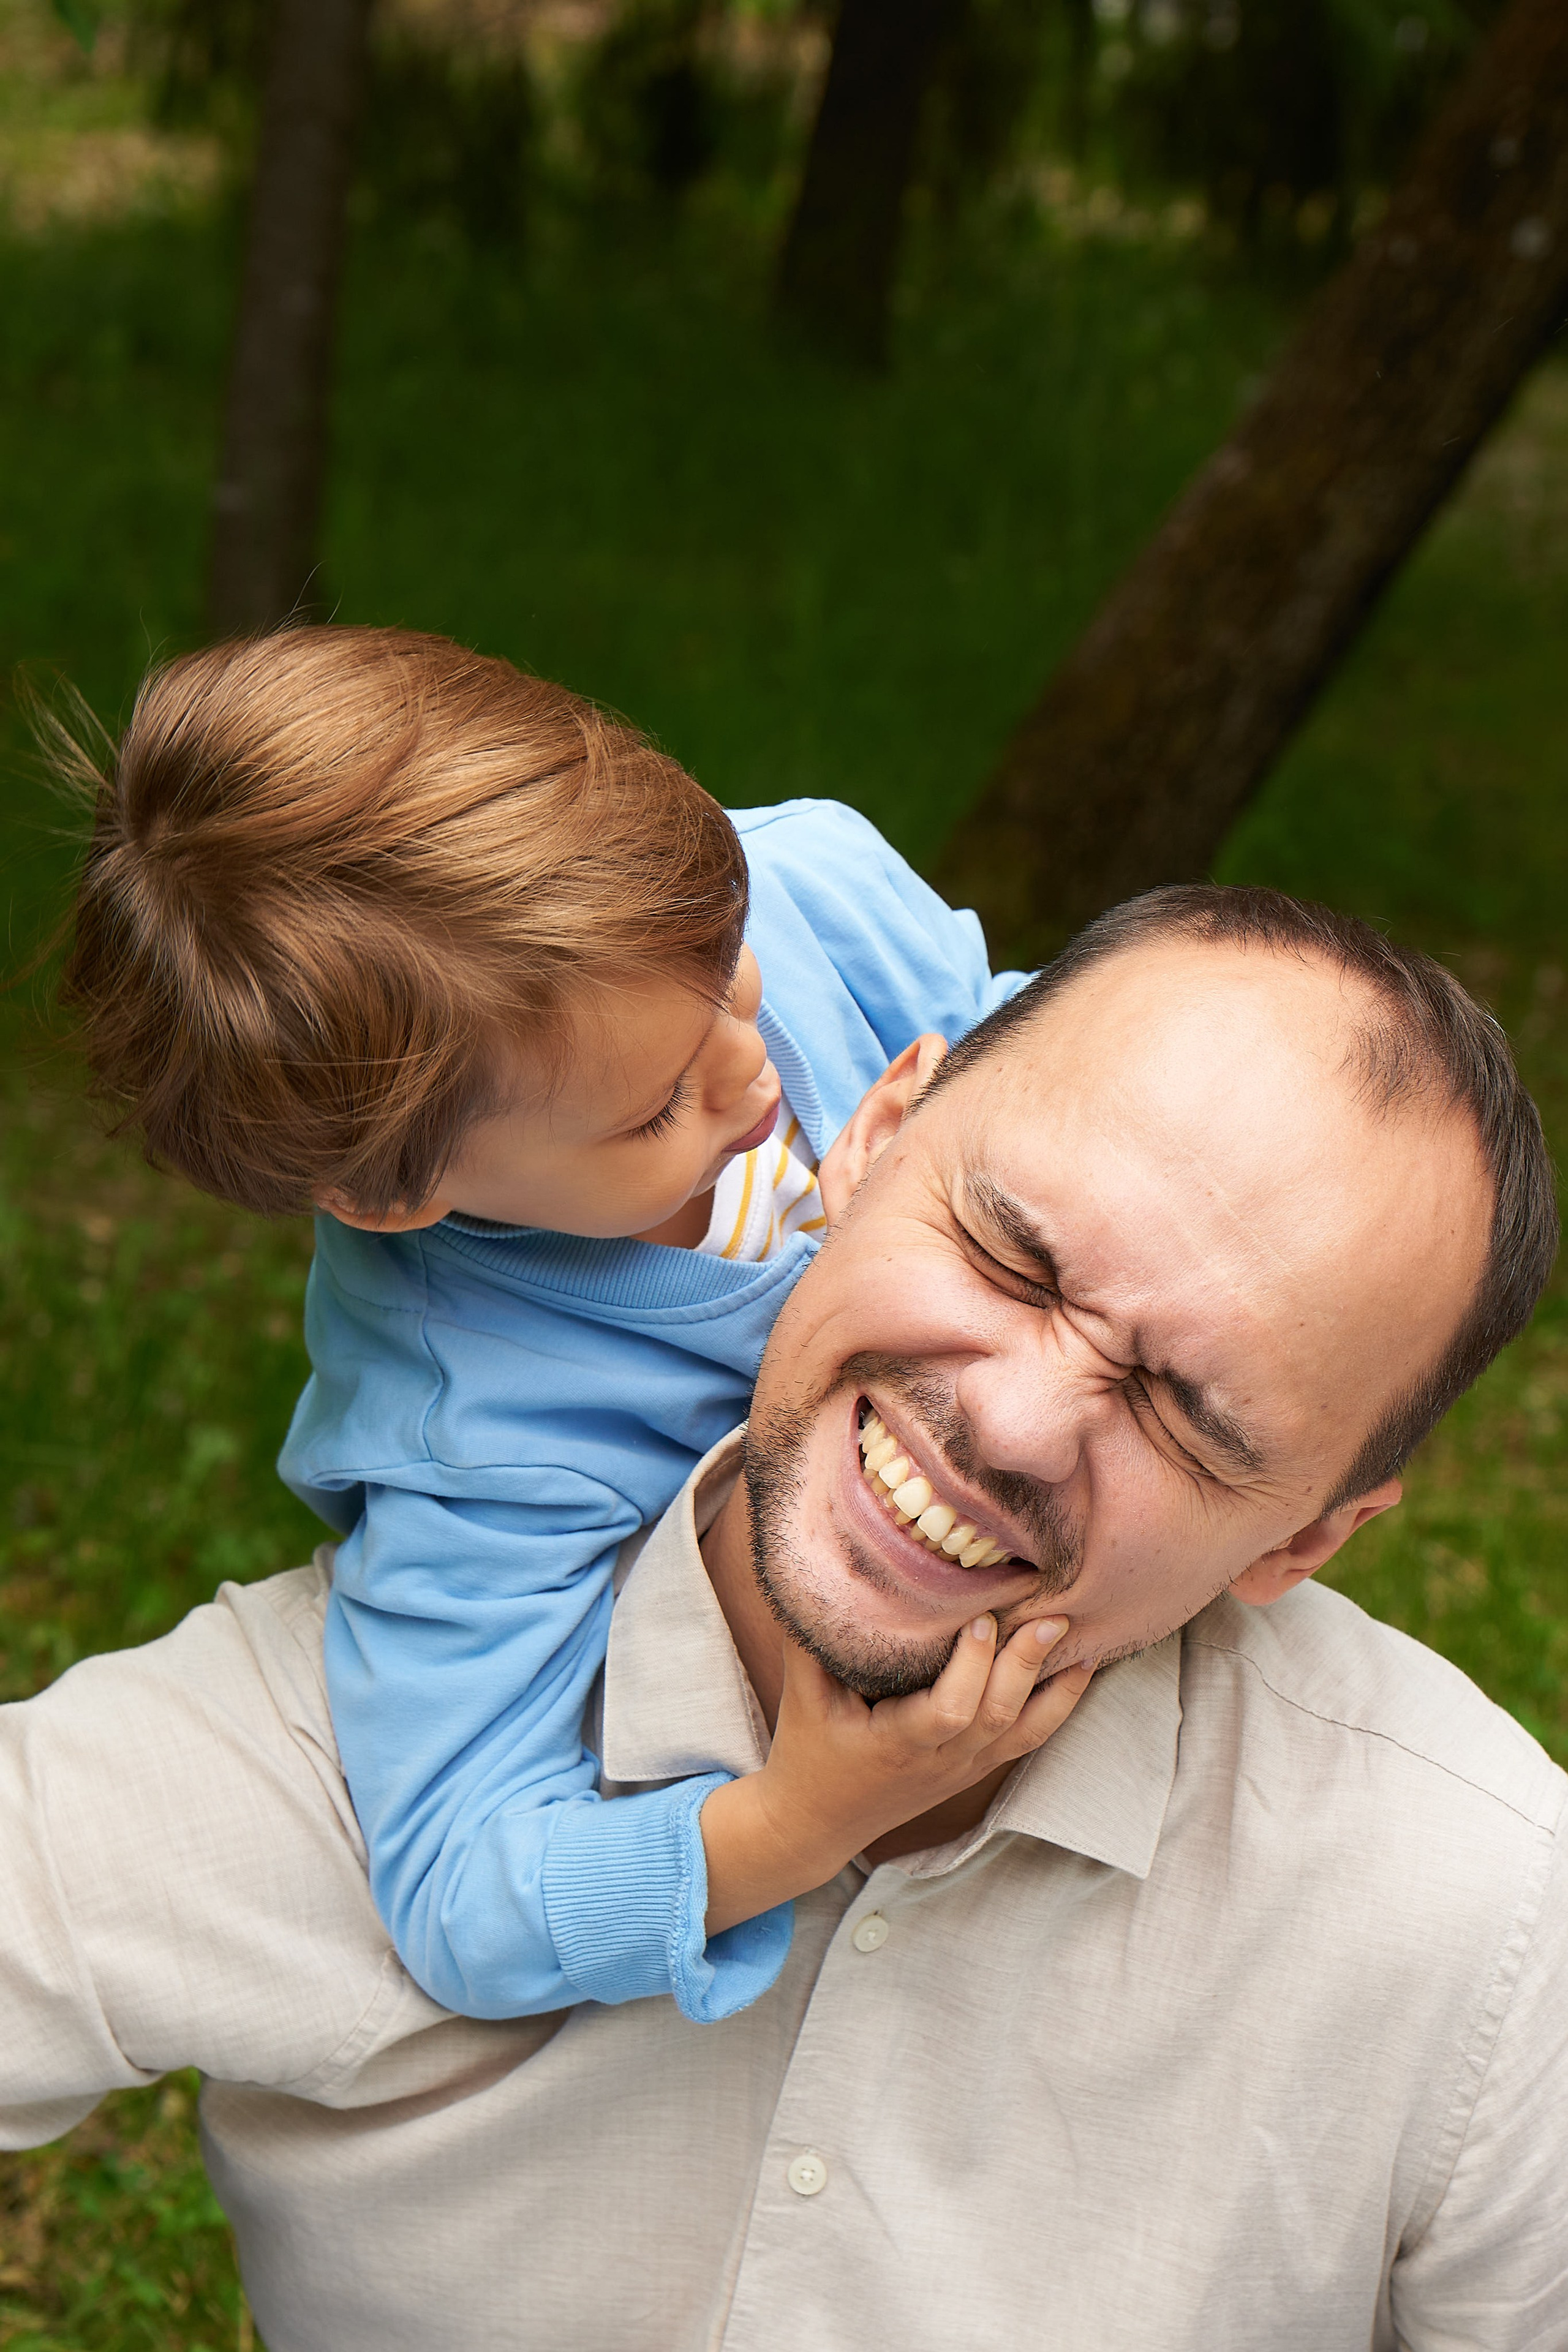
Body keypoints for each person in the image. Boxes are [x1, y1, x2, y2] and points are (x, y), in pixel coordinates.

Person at [3, 884, 1564, 2351]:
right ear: (875, 1131)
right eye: (1012, 1255)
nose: (1016, 1424)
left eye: (1180, 1410)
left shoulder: (1482, 1929)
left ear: (1303, 1537)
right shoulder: (360, 1736)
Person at [54, 624, 1084, 2030]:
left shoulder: (795, 892)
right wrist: (797, 1819)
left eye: (723, 969)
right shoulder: (480, 1436)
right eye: (654, 1109)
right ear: (393, 1194)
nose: (747, 1066)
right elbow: (462, 1896)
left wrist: (957, 1142)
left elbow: (1065, 1047)